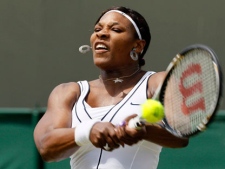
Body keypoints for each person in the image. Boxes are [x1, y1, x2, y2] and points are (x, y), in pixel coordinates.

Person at [33, 6, 189, 169]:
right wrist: (88, 131)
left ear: (137, 46)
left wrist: (145, 131)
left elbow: (181, 136)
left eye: (115, 29)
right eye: (97, 29)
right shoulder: (67, 92)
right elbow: (46, 147)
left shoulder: (157, 82)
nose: (101, 33)